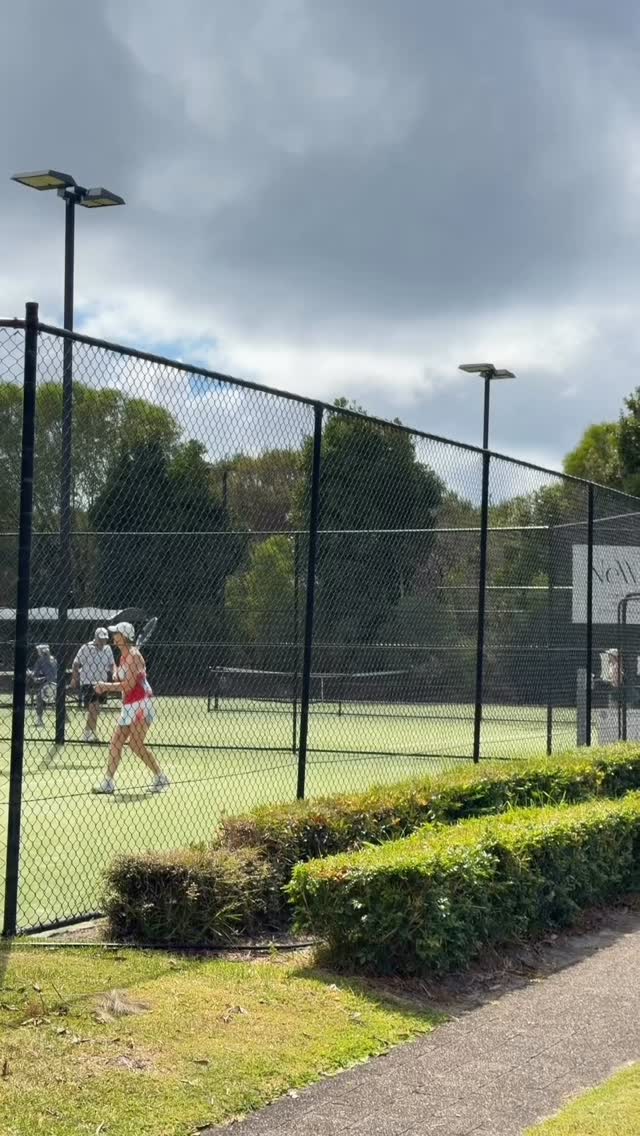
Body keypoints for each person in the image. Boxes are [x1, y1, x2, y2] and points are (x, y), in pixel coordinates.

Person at [92, 621, 169, 795]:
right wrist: (115, 675)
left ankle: (160, 777)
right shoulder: (122, 657)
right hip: (128, 705)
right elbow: (122, 679)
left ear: (124, 637)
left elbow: (128, 685)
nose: (113, 636)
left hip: (142, 703)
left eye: (116, 633)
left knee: (135, 744)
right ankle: (108, 783)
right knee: (116, 741)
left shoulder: (135, 656)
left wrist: (105, 686)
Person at [71, 627, 115, 743]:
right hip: (88, 682)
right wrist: (75, 678)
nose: (103, 642)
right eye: (101, 639)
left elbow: (111, 665)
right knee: (93, 709)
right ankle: (90, 734)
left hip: (102, 683)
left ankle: (88, 733)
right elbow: (76, 663)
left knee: (96, 710)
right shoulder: (86, 648)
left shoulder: (108, 649)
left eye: (105, 639)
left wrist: (115, 673)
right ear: (95, 638)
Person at [30, 644, 57, 728]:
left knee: (39, 701)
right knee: (57, 701)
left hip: (45, 685)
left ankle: (39, 719)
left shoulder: (40, 660)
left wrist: (30, 674)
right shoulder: (54, 660)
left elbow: (35, 674)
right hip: (54, 684)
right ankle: (65, 719)